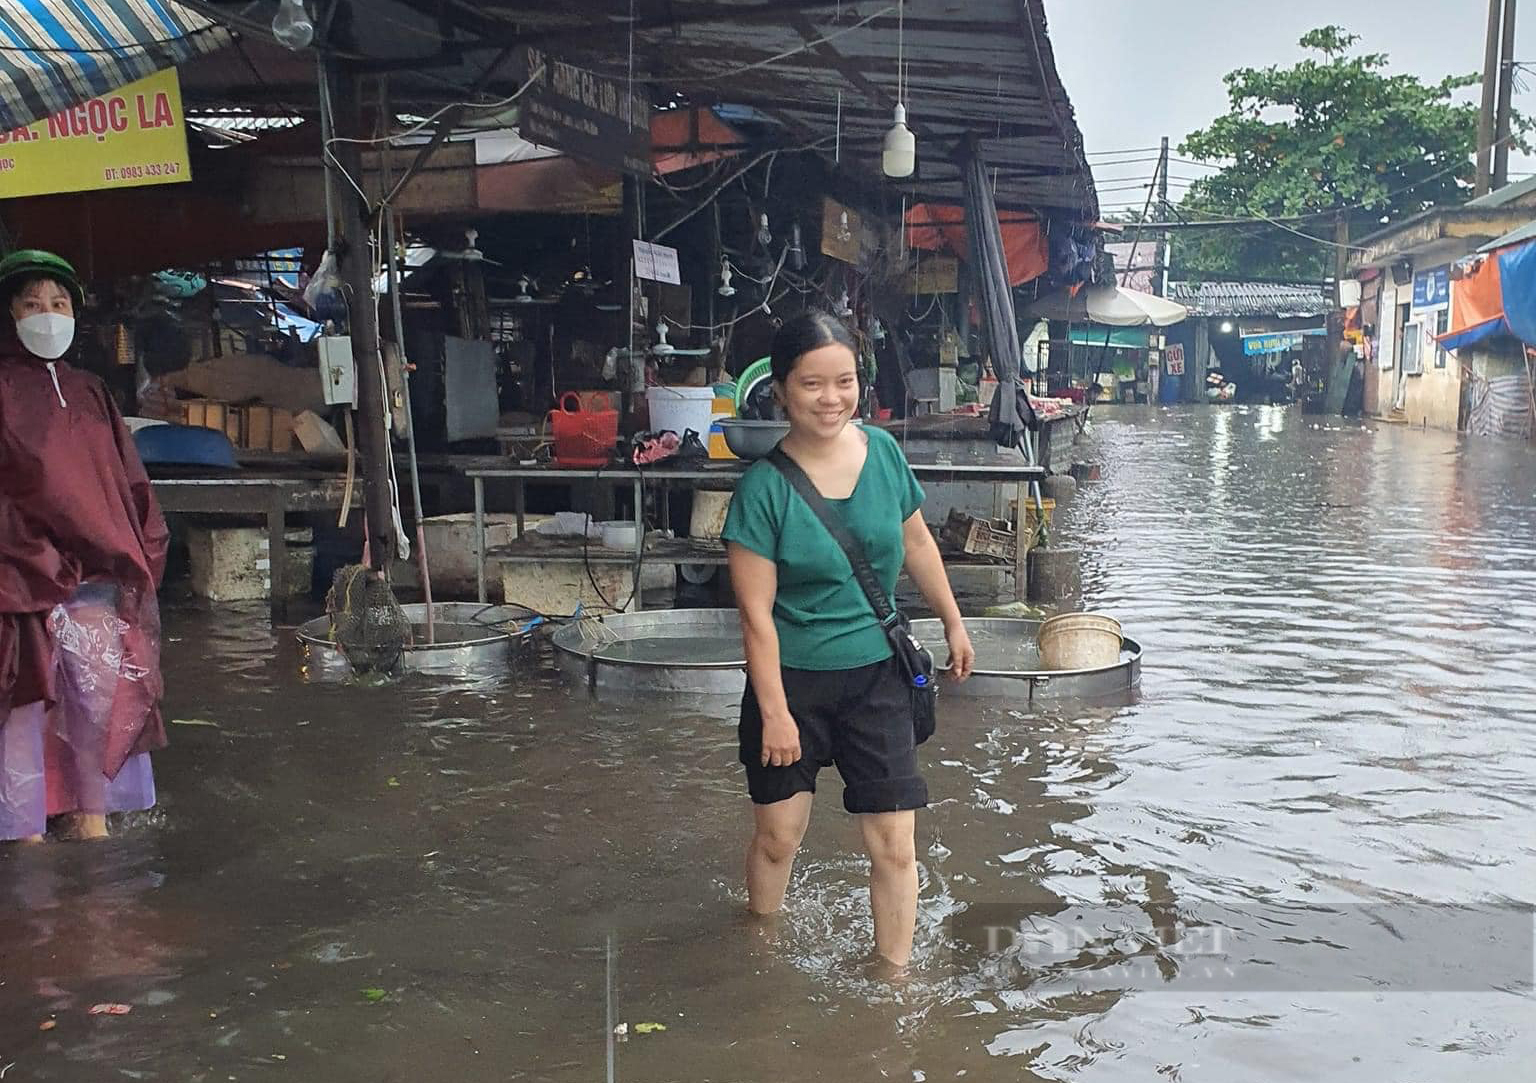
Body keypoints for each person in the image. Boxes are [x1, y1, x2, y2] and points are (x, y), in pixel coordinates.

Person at [722, 311, 976, 969]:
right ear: (779, 390)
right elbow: (755, 617)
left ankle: (895, 980)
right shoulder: (761, 490)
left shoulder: (885, 454)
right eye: (811, 384)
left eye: (844, 381)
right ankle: (761, 948)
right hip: (792, 686)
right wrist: (775, 712)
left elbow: (917, 540)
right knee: (779, 838)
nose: (831, 398)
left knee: (895, 844)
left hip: (876, 677)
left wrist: (952, 619)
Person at [0, 250, 169, 843]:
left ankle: (90, 820)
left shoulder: (91, 391)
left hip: (97, 574)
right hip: (17, 580)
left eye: (59, 304)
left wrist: (141, 558)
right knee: (22, 707)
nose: (47, 316)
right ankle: (24, 836)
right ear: (10, 314)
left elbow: (129, 485)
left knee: (96, 702)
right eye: (32, 305)